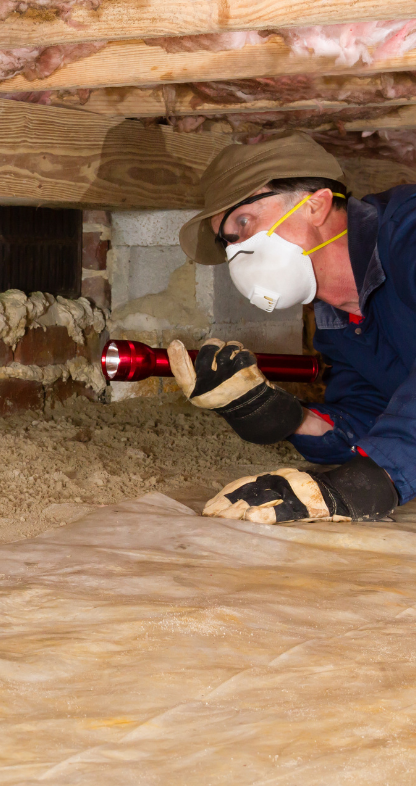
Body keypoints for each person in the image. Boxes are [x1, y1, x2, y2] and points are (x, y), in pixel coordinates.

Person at [170, 130, 409, 525]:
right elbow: (373, 419)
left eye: (243, 224)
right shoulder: (338, 327)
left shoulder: (409, 233)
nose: (236, 253)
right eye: (227, 242)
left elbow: (391, 457)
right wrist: (288, 418)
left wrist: (363, 484)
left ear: (316, 205)